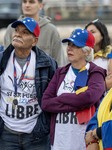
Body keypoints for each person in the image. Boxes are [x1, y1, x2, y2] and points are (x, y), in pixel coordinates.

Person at [41, 28, 106, 150]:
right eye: (69, 44)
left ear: (86, 51)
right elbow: (46, 103)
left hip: (83, 142)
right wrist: (78, 102)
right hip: (59, 141)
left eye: (75, 45)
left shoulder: (95, 73)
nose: (69, 48)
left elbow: (89, 98)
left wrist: (62, 98)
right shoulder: (60, 72)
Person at [0, 17, 57, 150]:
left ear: (35, 41)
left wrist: (43, 126)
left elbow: (53, 98)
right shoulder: (2, 59)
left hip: (36, 135)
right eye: (17, 31)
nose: (18, 34)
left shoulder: (47, 64)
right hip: (6, 134)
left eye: (25, 32)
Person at [4, 0, 65, 67]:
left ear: (41, 5)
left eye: (31, 2)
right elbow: (5, 59)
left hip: (43, 76)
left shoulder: (51, 30)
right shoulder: (11, 28)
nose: (27, 5)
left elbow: (59, 61)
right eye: (24, 2)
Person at [85, 19, 112, 90]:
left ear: (102, 35)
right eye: (87, 33)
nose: (89, 35)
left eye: (93, 32)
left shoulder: (110, 54)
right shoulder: (84, 57)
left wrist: (94, 90)